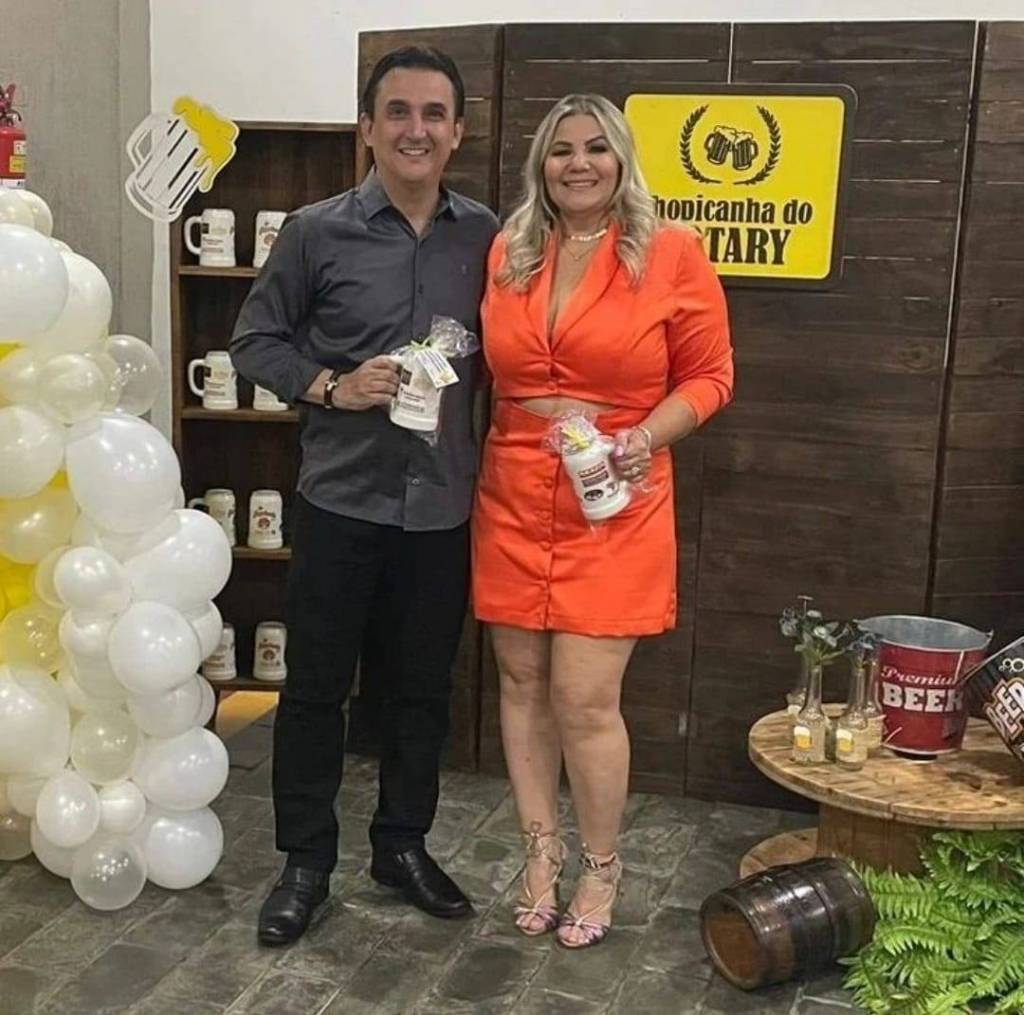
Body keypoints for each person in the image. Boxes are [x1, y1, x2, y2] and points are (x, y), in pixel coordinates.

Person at [230, 45, 499, 946]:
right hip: (342, 500)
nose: (416, 129)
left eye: (434, 114)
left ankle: (402, 844)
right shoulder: (315, 231)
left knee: (422, 690)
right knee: (315, 690)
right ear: (367, 130)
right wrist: (330, 386)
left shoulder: (488, 237)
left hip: (441, 507)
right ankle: (305, 861)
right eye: (398, 112)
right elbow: (255, 342)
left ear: (457, 133)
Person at [472, 94, 733, 949]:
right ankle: (538, 854)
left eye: (595, 148)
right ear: (540, 165)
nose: (577, 163)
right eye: (561, 150)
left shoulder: (671, 252)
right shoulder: (509, 249)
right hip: (514, 487)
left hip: (614, 495)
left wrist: (642, 438)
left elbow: (711, 376)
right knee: (520, 684)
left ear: (622, 160)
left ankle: (601, 864)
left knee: (584, 699)